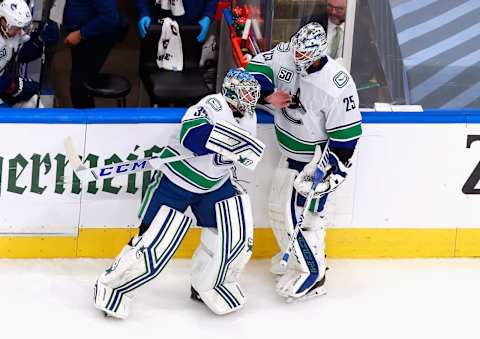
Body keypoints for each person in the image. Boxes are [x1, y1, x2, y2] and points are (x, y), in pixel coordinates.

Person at [93, 68, 264, 319]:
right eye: (245, 94)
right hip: (176, 182)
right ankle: (113, 287)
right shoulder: (211, 105)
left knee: (231, 238)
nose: (250, 100)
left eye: (252, 95)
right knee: (151, 241)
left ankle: (207, 285)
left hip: (214, 185)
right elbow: (191, 137)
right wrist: (225, 140)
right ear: (230, 92)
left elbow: (245, 154)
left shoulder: (250, 118)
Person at [246, 22, 362, 302]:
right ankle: (298, 260)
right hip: (289, 153)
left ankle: (313, 274)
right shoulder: (287, 53)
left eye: (303, 56)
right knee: (280, 210)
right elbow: (254, 69)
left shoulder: (338, 84)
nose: (296, 60)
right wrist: (267, 93)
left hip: (315, 159)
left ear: (320, 53)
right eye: (295, 52)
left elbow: (346, 138)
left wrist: (331, 171)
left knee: (302, 217)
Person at [63, 0, 128, 108]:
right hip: (82, 34)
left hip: (90, 36)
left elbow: (110, 17)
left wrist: (81, 34)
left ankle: (88, 121)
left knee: (80, 86)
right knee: (80, 83)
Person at [0, 0, 58, 108]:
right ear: (4, 21)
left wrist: (39, 41)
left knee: (34, 95)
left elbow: (20, 54)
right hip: (3, 85)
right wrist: (9, 84)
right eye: (17, 28)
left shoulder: (13, 33)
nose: (20, 32)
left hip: (4, 83)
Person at [135, 0, 218, 42]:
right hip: (157, 24)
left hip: (192, 25)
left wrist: (208, 15)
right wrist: (144, 12)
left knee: (188, 68)